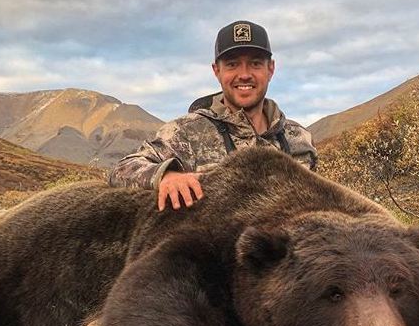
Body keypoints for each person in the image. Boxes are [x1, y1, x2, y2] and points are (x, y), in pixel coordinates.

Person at [108, 20, 318, 211]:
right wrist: (166, 176)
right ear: (216, 70)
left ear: (270, 69)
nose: (244, 74)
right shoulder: (185, 133)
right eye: (232, 64)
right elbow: (122, 169)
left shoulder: (298, 139)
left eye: (255, 63)